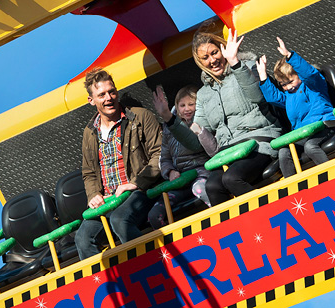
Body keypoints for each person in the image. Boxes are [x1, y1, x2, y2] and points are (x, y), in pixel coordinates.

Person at [154, 23, 283, 206]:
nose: (212, 60)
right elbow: (194, 140)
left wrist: (235, 64)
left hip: (258, 142)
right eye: (205, 57)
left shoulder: (246, 67)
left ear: (223, 50)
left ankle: (272, 214)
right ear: (199, 62)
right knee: (213, 186)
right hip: (228, 152)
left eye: (215, 53)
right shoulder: (205, 94)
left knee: (231, 178)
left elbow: (258, 97)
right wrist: (169, 118)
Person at [75, 68, 162, 260]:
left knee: (120, 220)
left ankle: (152, 266)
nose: (109, 98)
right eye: (101, 94)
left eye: (111, 92)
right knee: (82, 238)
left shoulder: (140, 117)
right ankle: (112, 286)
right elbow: (88, 173)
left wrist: (137, 182)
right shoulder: (89, 132)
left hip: (139, 191)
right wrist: (93, 195)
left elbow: (160, 154)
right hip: (107, 201)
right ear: (91, 101)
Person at [256, 36, 335, 177]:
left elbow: (310, 74)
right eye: (283, 84)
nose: (287, 87)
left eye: (290, 81)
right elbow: (273, 97)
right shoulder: (289, 97)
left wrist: (290, 56)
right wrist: (263, 76)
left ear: (298, 75)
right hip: (303, 133)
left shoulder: (313, 86)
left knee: (310, 147)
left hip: (325, 126)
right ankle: (294, 188)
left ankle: (332, 177)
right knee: (284, 152)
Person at [148, 84, 213, 229]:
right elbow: (164, 157)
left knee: (200, 190)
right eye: (182, 105)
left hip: (200, 173)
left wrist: (199, 131)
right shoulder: (168, 129)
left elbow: (209, 148)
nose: (187, 109)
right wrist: (170, 172)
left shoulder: (201, 121)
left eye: (191, 104)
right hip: (180, 180)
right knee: (154, 214)